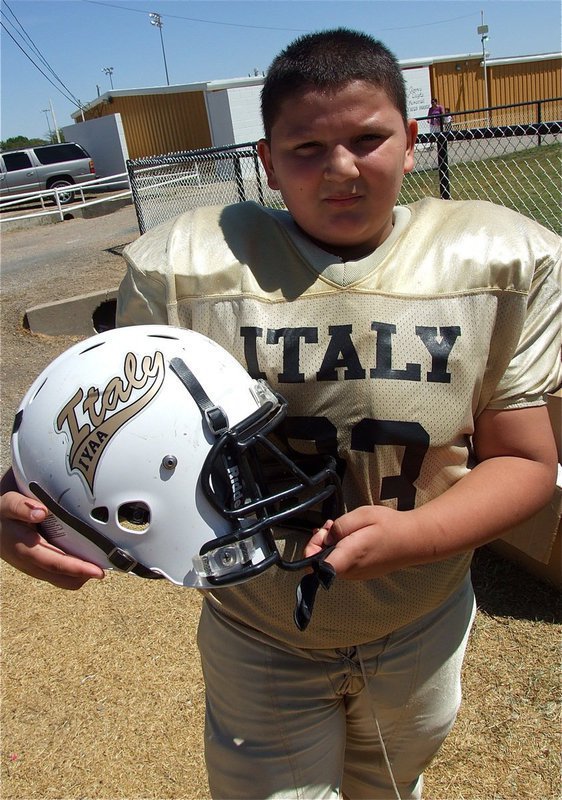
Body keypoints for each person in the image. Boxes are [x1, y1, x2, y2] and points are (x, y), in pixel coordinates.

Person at [1, 27, 561, 800]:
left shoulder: (498, 259)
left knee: (392, 786)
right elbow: (86, 420)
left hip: (421, 618)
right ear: (265, 162)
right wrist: (23, 501)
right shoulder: (185, 266)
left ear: (412, 138)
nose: (341, 170)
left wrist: (418, 536)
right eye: (305, 149)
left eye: (369, 138)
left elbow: (527, 463)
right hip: (257, 629)